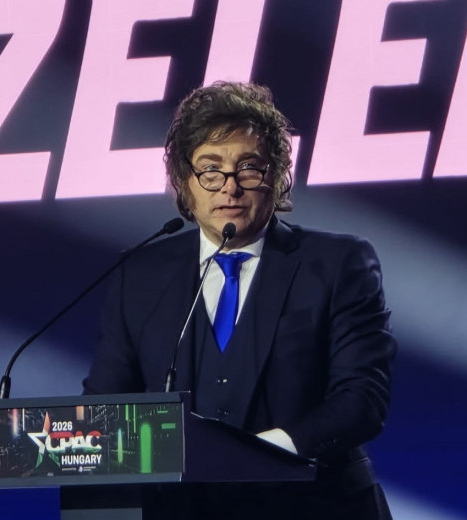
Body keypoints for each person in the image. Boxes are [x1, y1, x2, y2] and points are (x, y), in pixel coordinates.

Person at [83, 81, 395, 520]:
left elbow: (362, 399)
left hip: (316, 507)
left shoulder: (338, 264)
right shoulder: (140, 274)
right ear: (184, 182)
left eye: (249, 168)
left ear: (276, 176)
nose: (229, 188)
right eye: (210, 170)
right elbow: (108, 406)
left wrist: (263, 454)